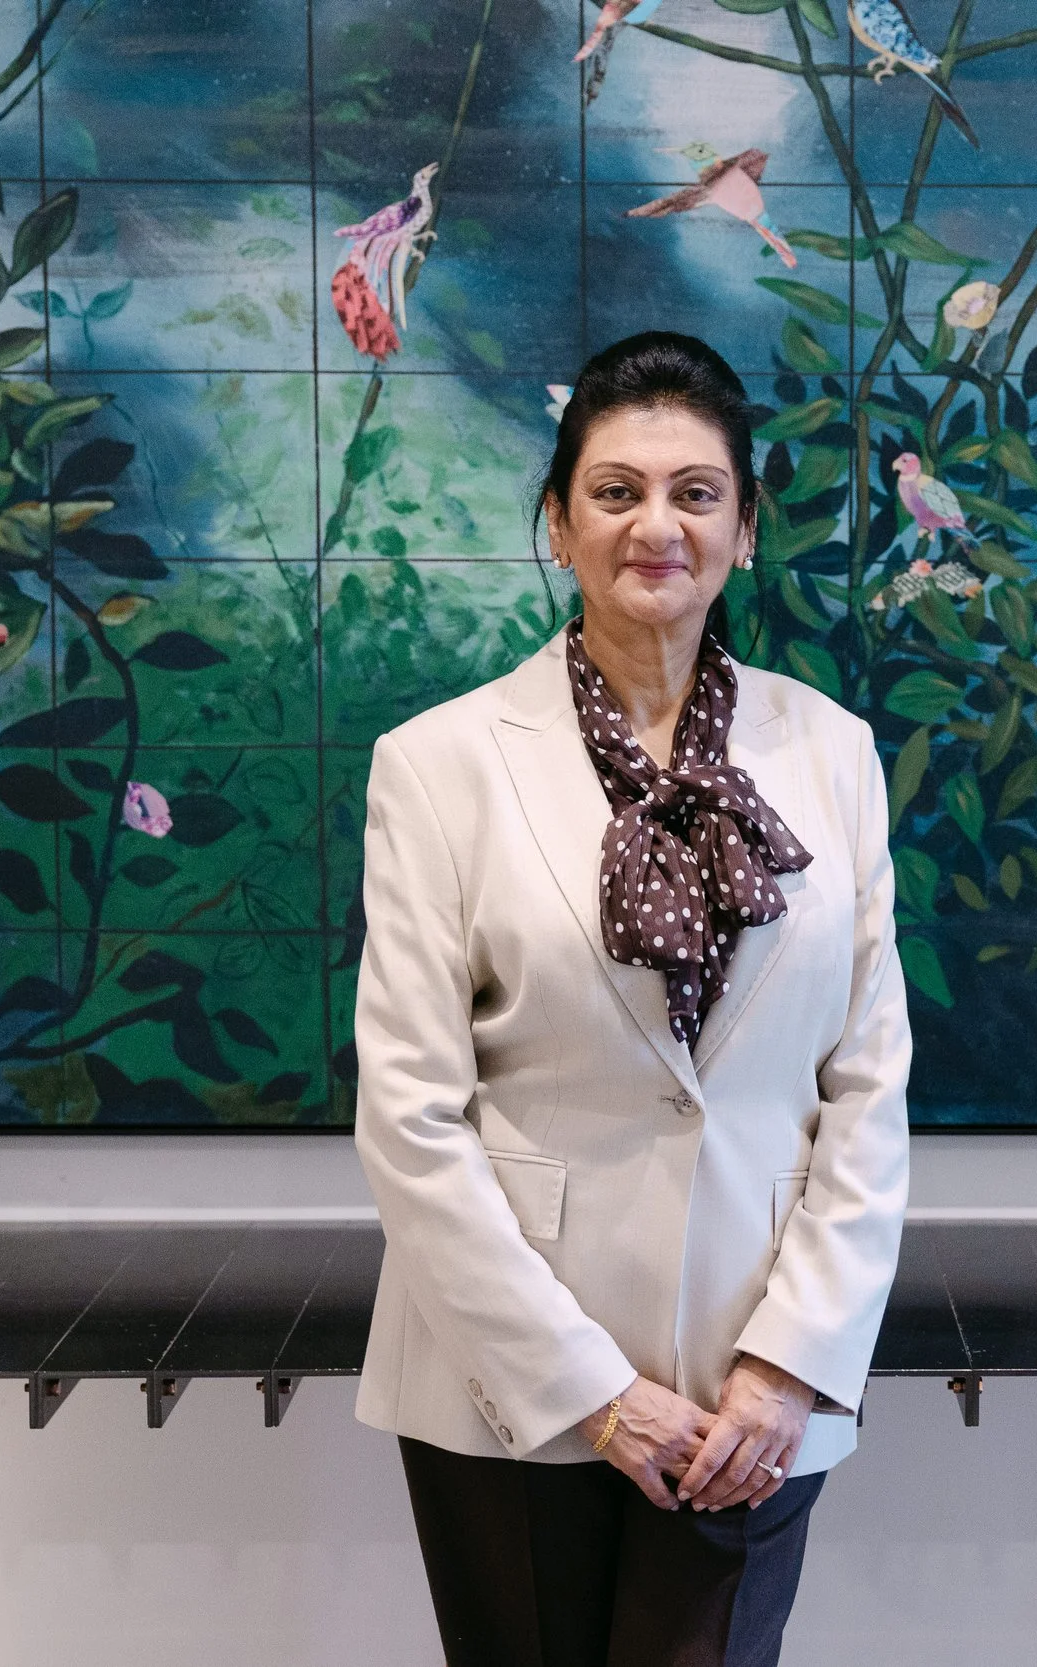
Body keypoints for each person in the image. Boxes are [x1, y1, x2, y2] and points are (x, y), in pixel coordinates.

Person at [350, 330, 913, 1667]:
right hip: (513, 1383)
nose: (656, 523)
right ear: (558, 524)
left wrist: (795, 1360)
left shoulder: (831, 754)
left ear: (744, 528)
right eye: (615, 491)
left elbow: (869, 1082)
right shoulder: (437, 765)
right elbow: (411, 1119)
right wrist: (595, 1393)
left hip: (752, 1379)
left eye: (696, 491)